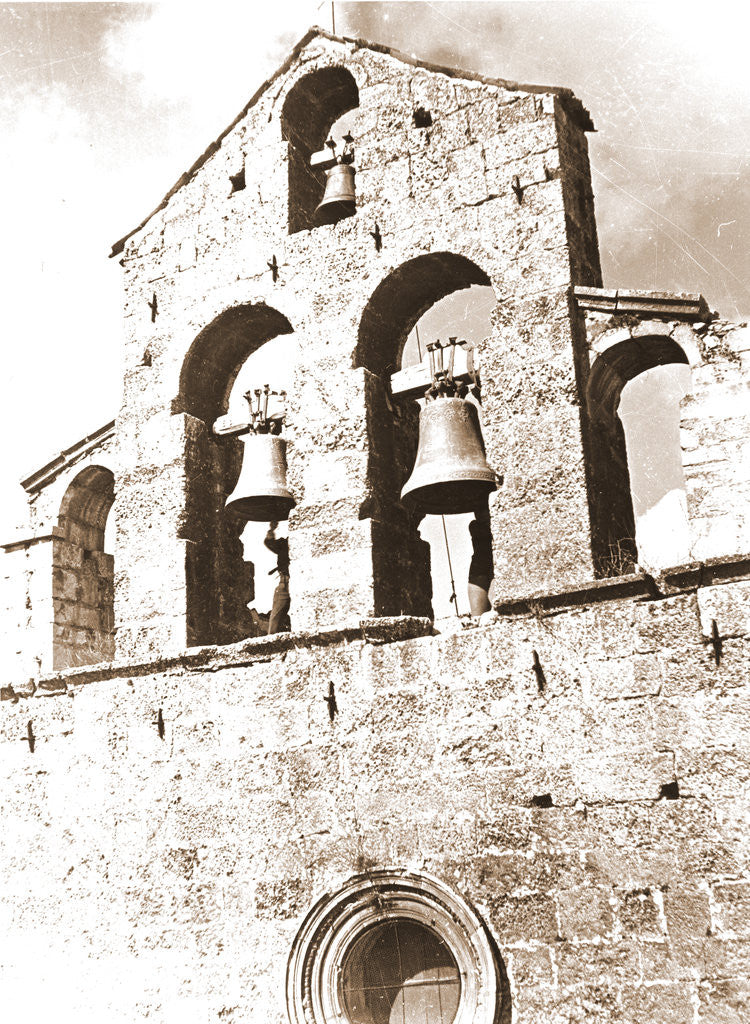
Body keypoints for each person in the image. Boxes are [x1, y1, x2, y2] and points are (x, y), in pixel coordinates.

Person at [467, 500, 494, 615]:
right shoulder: (476, 527)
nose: (478, 513)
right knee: (478, 619)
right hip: (481, 569)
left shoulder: (476, 527)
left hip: (490, 568)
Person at [264, 521, 290, 634]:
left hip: (293, 581)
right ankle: (271, 643)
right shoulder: (285, 544)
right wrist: (272, 529)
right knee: (275, 617)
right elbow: (270, 542)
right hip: (284, 581)